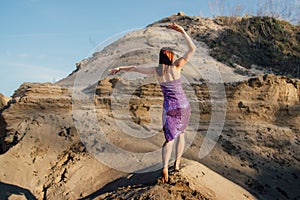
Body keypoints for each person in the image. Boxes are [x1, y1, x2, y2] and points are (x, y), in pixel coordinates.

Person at [109, 22, 196, 183]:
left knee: (169, 138)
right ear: (171, 58)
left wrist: (120, 68)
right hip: (183, 106)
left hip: (169, 108)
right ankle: (176, 164)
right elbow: (192, 50)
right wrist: (183, 31)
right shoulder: (176, 67)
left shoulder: (156, 71)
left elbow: (135, 68)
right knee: (181, 134)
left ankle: (164, 167)